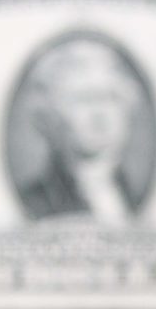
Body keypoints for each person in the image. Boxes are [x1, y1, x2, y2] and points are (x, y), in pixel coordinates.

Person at [19, 36, 143, 223]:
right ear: (52, 115)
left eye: (111, 97)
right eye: (84, 99)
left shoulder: (134, 194)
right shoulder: (34, 203)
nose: (100, 113)